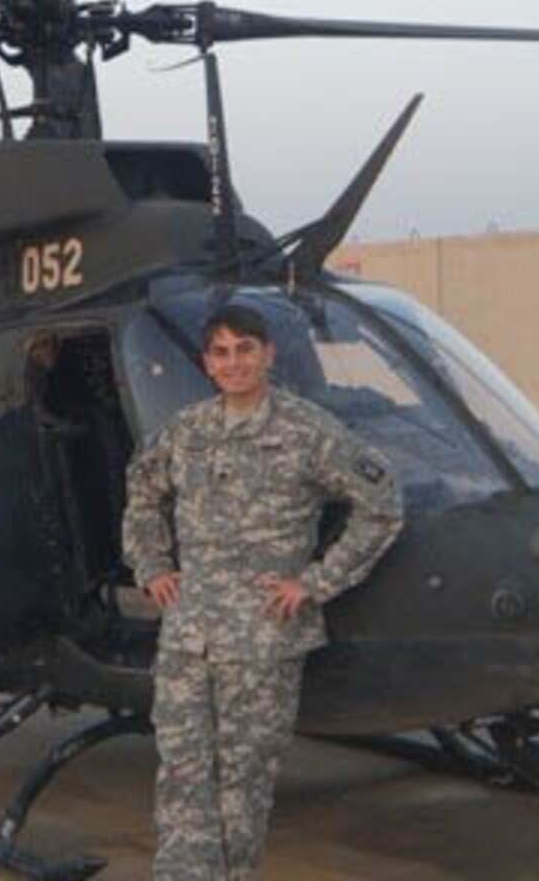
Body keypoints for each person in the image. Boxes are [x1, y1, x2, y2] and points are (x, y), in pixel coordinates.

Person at [122, 304, 404, 879]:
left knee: (243, 781)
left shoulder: (308, 431)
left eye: (245, 350)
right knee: (181, 774)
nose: (234, 363)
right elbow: (143, 492)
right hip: (188, 635)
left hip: (262, 641)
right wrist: (151, 564)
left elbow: (383, 504)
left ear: (268, 355)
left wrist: (317, 582)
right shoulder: (188, 430)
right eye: (221, 353)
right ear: (206, 363)